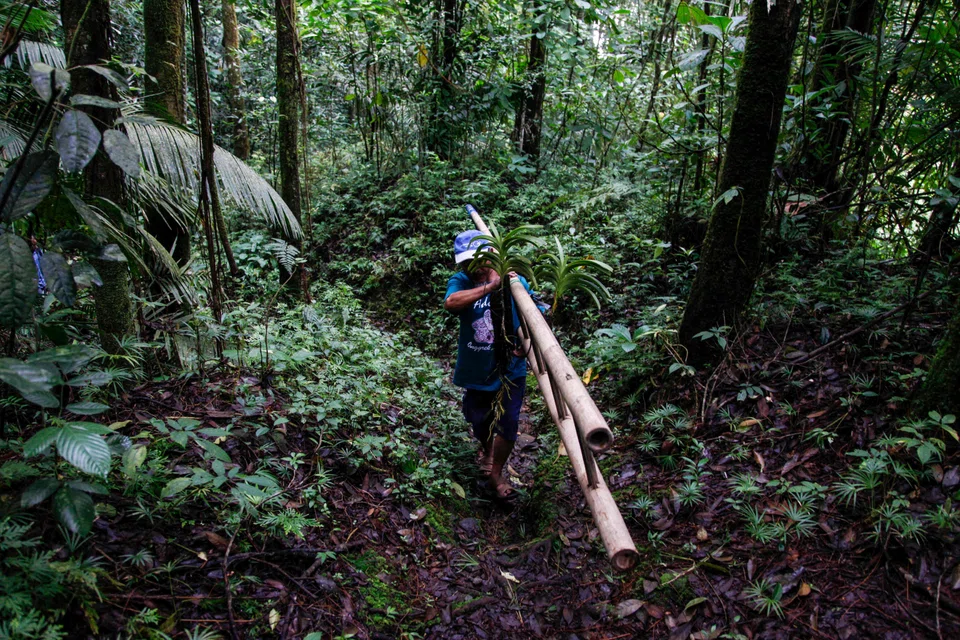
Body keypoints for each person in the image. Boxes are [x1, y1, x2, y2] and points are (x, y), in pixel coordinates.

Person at [444, 230, 534, 501]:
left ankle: (496, 473)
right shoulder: (461, 281)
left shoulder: (513, 280)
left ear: (491, 256)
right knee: (479, 419)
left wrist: (525, 340)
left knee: (507, 423)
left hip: (510, 369)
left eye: (478, 261)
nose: (473, 267)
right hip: (476, 368)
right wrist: (489, 287)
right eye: (467, 263)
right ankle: (487, 449)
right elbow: (451, 303)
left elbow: (532, 313)